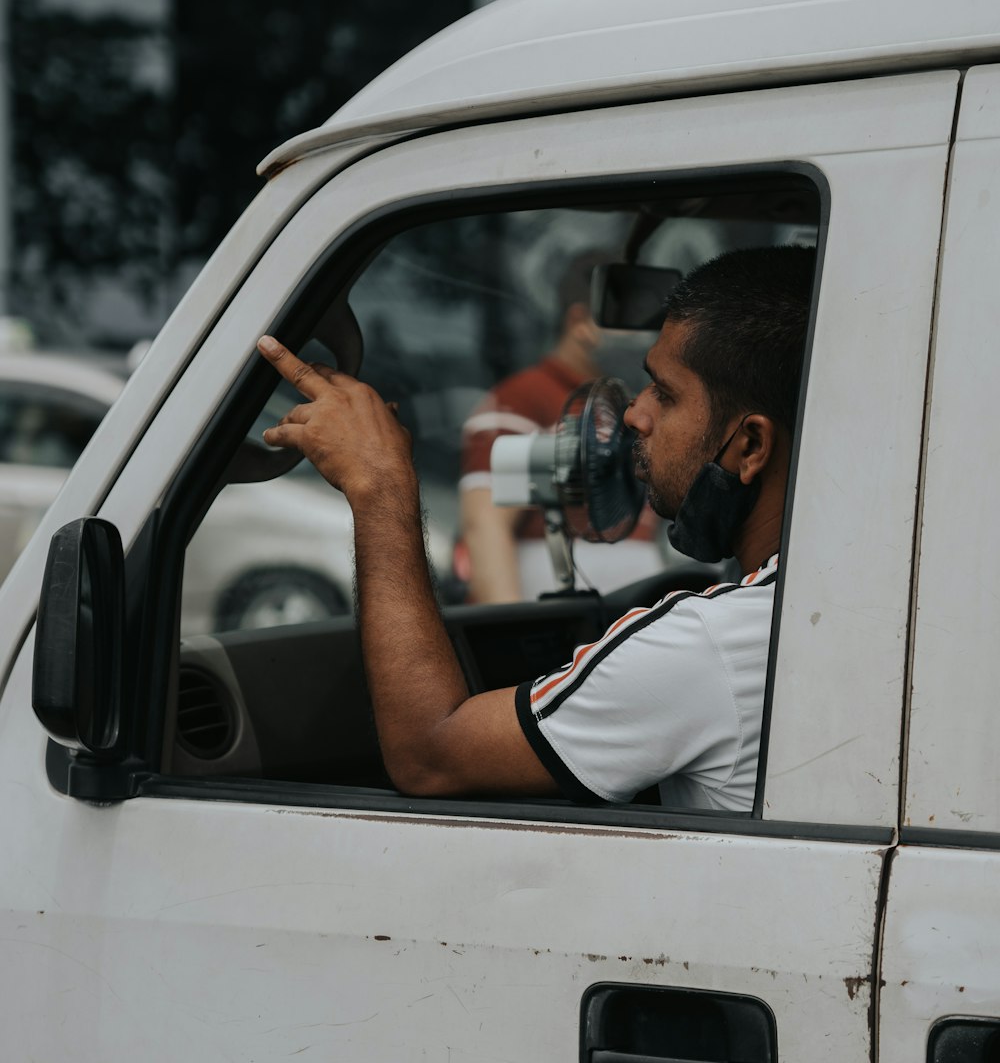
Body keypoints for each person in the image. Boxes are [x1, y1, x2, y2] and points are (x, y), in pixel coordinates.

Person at [257, 244, 814, 811]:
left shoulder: (709, 645)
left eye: (666, 395)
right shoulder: (827, 609)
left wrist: (380, 486)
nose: (634, 414)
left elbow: (430, 757)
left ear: (750, 446)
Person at [459, 250, 661, 602]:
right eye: (630, 321)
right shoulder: (522, 398)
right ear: (581, 323)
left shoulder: (630, 408)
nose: (645, 337)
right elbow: (486, 528)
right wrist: (511, 631)